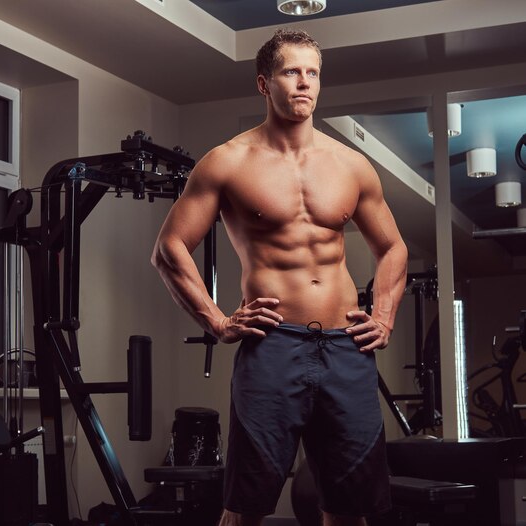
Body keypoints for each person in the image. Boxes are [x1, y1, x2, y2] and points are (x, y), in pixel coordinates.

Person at [152, 28, 408, 526]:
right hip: (273, 346)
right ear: (264, 83)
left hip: (345, 348)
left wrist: (384, 315)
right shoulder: (228, 161)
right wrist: (217, 321)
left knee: (351, 505)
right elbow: (169, 249)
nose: (304, 83)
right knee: (246, 504)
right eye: (292, 71)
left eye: (313, 73)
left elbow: (393, 246)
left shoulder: (351, 165)